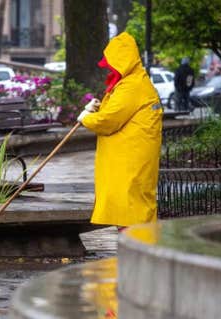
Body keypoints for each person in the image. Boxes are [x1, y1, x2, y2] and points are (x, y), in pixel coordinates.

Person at [77, 32, 163, 230]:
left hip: (129, 160)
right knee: (128, 208)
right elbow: (116, 111)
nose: (109, 68)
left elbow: (109, 120)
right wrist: (95, 108)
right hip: (128, 159)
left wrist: (86, 118)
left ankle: (137, 254)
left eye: (112, 63)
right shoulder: (133, 82)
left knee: (130, 210)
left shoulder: (132, 86)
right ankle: (135, 253)